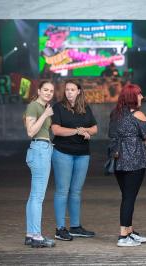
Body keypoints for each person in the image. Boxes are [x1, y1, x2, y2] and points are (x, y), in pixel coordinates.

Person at [51, 80, 98, 241]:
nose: (69, 92)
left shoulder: (84, 107)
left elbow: (95, 128)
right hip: (63, 153)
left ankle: (76, 227)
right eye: (67, 90)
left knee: (76, 192)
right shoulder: (58, 107)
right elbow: (56, 130)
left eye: (72, 89)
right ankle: (60, 228)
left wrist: (86, 131)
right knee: (62, 191)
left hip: (82, 154)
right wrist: (78, 131)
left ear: (79, 91)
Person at [108, 84, 146, 247]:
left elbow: (111, 135)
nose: (142, 97)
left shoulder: (115, 114)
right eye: (139, 94)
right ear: (133, 97)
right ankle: (122, 236)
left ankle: (129, 231)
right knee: (129, 198)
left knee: (127, 196)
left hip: (118, 160)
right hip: (134, 161)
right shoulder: (139, 114)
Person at [23, 81, 56, 248]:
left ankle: (30, 234)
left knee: (33, 196)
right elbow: (30, 132)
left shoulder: (44, 108)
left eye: (51, 91)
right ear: (39, 91)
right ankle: (36, 236)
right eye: (45, 90)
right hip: (39, 150)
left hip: (42, 149)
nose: (49, 93)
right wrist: (44, 115)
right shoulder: (34, 106)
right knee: (38, 197)